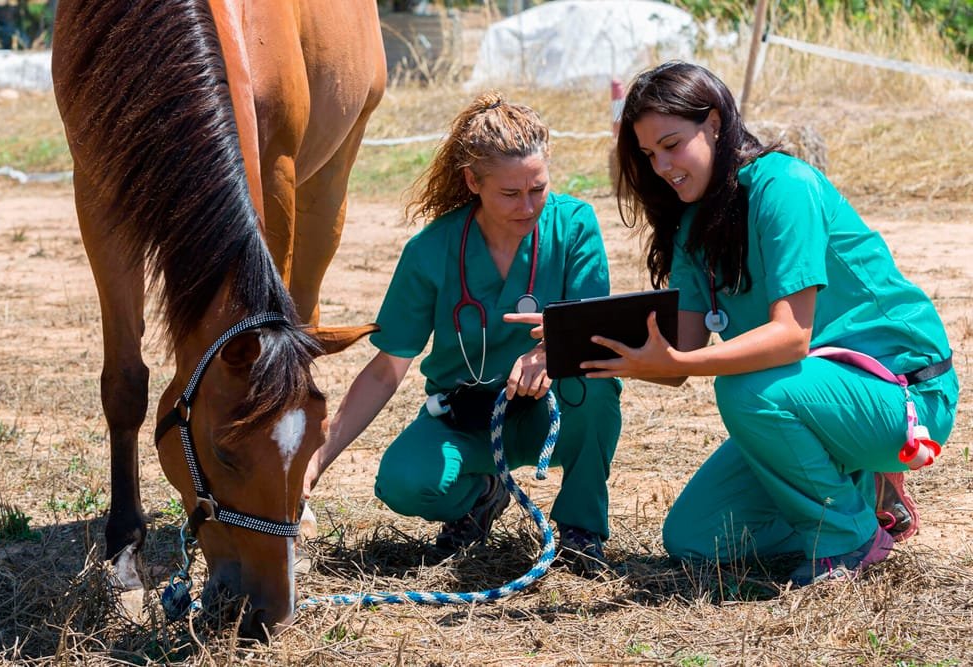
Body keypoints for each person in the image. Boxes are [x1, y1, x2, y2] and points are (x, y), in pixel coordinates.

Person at [508, 61, 958, 587]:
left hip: (907, 399)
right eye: (650, 154)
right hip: (818, 400)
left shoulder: (784, 186)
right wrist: (577, 337)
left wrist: (680, 360)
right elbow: (680, 353)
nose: (662, 166)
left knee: (745, 390)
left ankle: (848, 539)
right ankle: (859, 495)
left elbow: (790, 337)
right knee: (695, 537)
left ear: (716, 124)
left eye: (672, 144)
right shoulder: (692, 226)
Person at [305, 92, 623, 575]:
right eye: (510, 194)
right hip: (466, 419)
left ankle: (581, 531)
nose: (528, 207)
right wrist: (316, 460)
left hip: (551, 414)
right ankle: (481, 494)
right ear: (473, 181)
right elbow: (386, 370)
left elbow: (591, 329)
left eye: (538, 189)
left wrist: (548, 351)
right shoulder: (431, 250)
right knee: (403, 482)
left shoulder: (574, 225)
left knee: (596, 385)